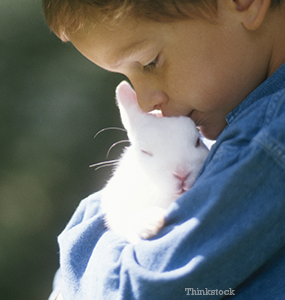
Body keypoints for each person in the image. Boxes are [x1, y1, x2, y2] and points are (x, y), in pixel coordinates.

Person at [43, 0, 285, 299]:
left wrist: (78, 248)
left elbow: (134, 291)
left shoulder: (268, 141)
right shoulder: (238, 124)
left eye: (149, 63)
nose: (145, 103)